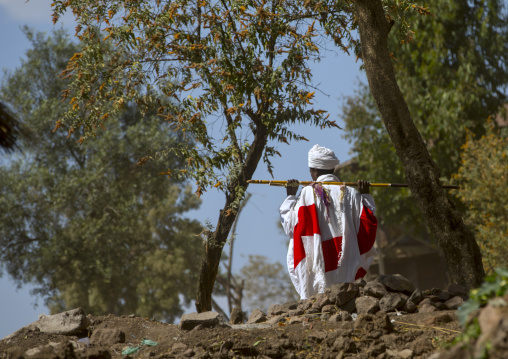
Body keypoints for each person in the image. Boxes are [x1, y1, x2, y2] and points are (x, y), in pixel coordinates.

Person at [280, 144, 377, 299]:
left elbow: (290, 226)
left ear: (315, 171)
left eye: (310, 170)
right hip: (346, 267)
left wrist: (290, 196)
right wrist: (365, 195)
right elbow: (368, 223)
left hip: (317, 270)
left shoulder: (307, 194)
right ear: (332, 169)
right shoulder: (351, 193)